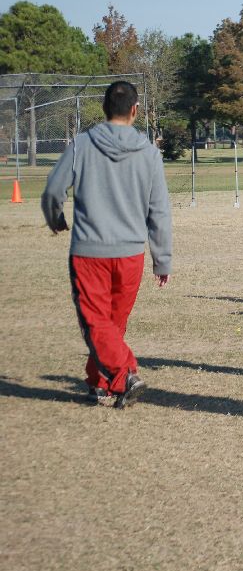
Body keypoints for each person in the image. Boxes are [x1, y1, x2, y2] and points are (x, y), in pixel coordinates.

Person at [41, 80, 172, 408]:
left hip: (89, 251)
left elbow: (53, 190)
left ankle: (124, 375)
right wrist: (162, 259)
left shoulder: (81, 145)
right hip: (130, 254)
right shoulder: (149, 154)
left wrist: (56, 218)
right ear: (135, 110)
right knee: (111, 323)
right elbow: (159, 211)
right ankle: (98, 382)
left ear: (104, 107)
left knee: (97, 322)